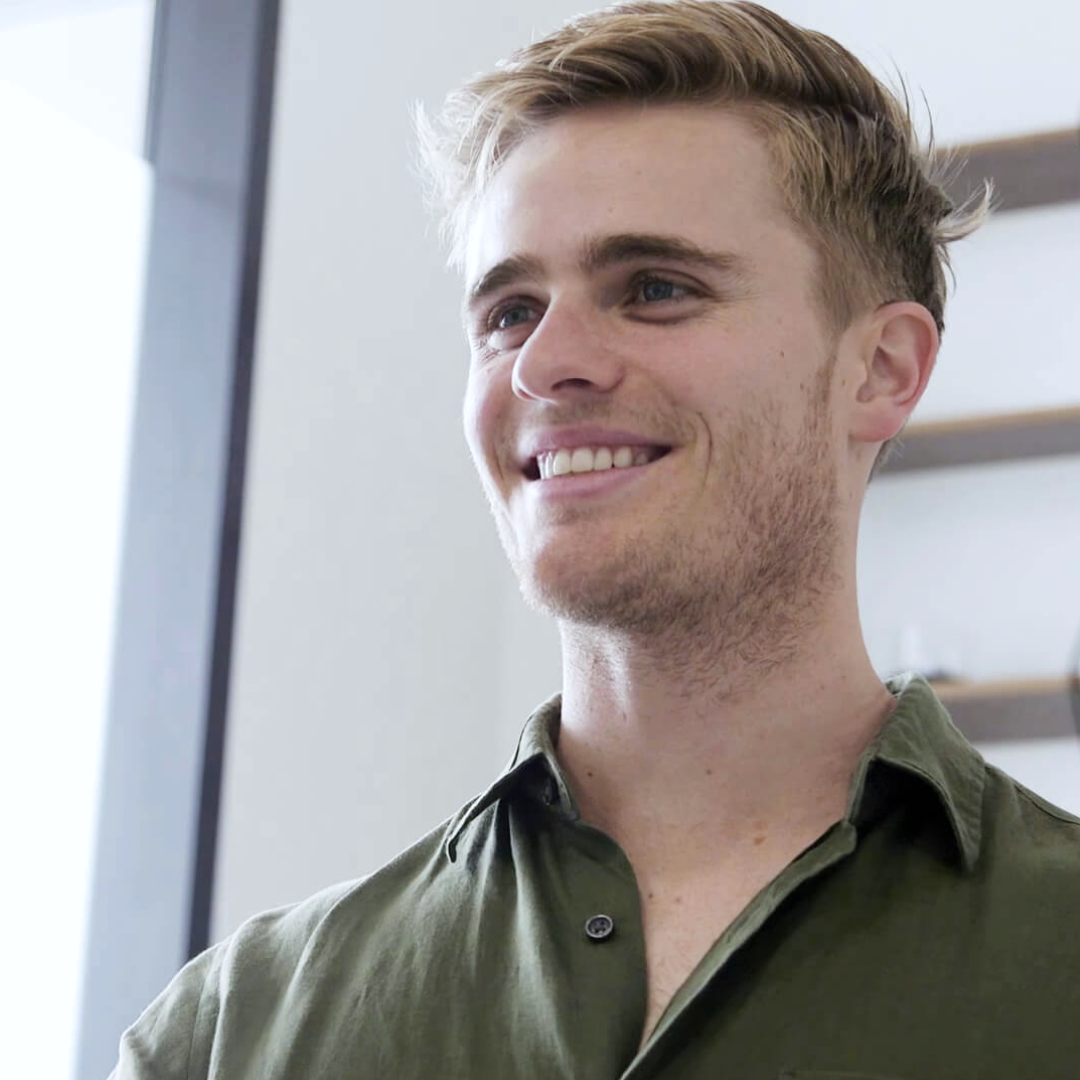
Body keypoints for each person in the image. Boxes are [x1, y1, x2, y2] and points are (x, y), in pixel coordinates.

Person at [110, 2, 1080, 1077]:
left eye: (655, 289)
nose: (545, 362)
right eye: (509, 312)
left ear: (881, 370)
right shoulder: (226, 1035)